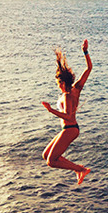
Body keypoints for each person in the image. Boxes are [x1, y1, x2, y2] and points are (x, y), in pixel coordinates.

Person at [42, 39, 92, 186]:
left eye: (58, 83)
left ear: (62, 83)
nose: (57, 86)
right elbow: (89, 69)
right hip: (68, 129)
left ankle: (80, 169)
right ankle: (78, 169)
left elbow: (69, 116)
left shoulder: (67, 95)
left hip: (70, 129)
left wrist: (51, 110)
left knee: (51, 161)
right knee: (46, 155)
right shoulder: (77, 88)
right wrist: (85, 52)